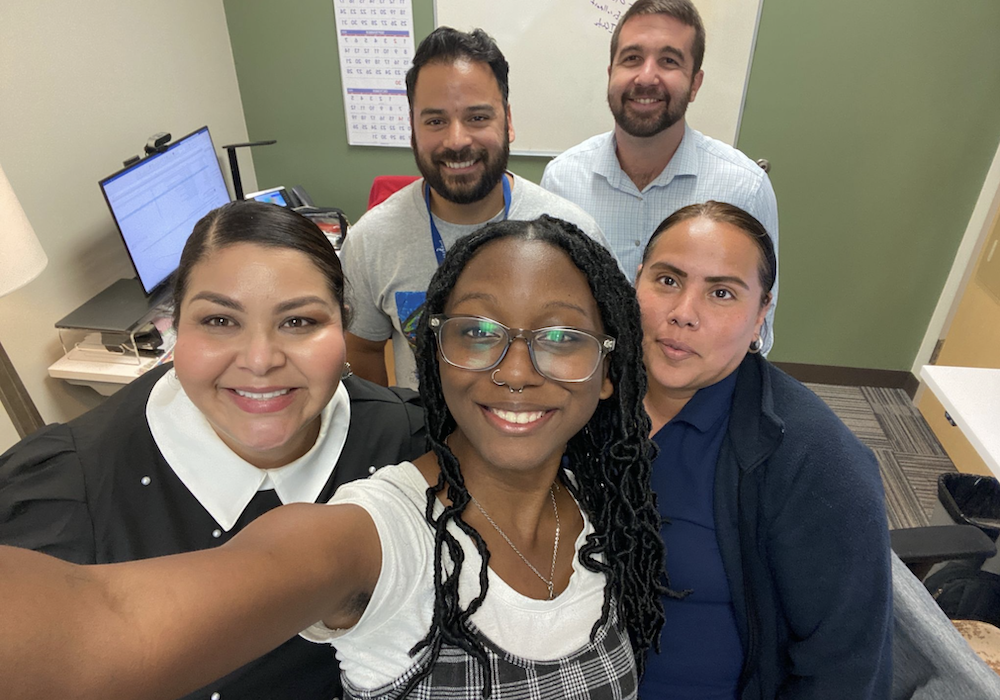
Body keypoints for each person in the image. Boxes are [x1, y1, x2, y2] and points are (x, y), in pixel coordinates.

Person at [0, 216, 668, 700]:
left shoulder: (605, 493)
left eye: (561, 336)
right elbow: (106, 629)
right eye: (478, 332)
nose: (516, 369)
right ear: (434, 349)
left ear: (609, 369)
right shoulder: (371, 535)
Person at [0, 201, 426, 700]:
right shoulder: (64, 499)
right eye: (221, 321)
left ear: (344, 325)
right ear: (173, 326)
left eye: (299, 322)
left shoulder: (410, 440)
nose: (261, 360)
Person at [634, 201, 892, 698]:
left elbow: (845, 673)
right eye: (667, 281)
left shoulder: (816, 462)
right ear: (636, 280)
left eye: (722, 293)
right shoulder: (580, 399)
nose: (683, 314)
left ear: (760, 315)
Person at [342, 26, 610, 390]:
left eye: (477, 117)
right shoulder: (370, 241)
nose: (456, 140)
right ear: (412, 130)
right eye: (435, 121)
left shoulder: (573, 233)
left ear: (508, 122)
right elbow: (363, 349)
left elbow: (600, 352)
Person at [541, 0, 779, 354]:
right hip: (591, 383)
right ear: (611, 73)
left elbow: (758, 330)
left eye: (669, 61)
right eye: (632, 58)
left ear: (695, 84)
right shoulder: (563, 181)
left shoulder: (744, 188)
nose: (647, 76)